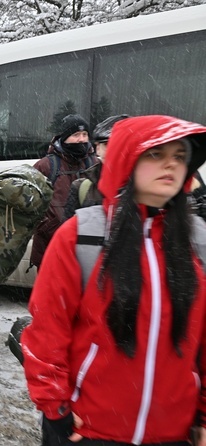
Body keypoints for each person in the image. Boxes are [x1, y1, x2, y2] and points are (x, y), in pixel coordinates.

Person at [22, 115, 206, 445]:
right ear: (127, 159)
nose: (171, 165)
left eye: (180, 156)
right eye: (156, 154)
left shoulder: (198, 244)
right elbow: (47, 331)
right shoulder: (82, 236)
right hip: (90, 430)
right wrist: (56, 409)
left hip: (174, 433)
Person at [31, 114, 99, 269]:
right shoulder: (46, 166)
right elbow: (29, 206)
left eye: (84, 134)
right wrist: (48, 226)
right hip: (50, 248)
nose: (82, 139)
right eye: (76, 135)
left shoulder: (94, 164)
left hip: (85, 248)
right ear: (64, 138)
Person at [62, 114, 130, 221]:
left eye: (123, 144)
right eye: (109, 144)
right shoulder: (81, 189)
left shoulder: (152, 191)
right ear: (98, 148)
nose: (116, 151)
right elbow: (66, 234)